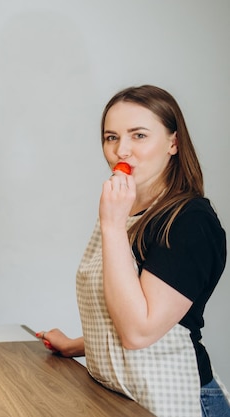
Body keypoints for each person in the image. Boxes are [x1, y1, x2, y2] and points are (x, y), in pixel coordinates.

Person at [38, 85, 230, 417]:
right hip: (122, 398)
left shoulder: (190, 222)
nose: (121, 151)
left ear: (173, 142)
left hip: (180, 401)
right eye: (111, 137)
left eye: (138, 135)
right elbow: (122, 310)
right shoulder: (127, 212)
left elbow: (140, 332)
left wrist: (111, 224)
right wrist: (75, 345)